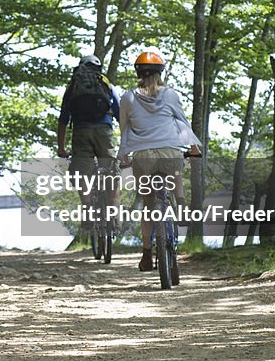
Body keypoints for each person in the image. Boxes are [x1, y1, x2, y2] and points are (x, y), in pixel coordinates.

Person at [117, 51, 201, 272]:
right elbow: (182, 122)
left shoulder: (127, 97)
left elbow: (124, 130)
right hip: (169, 152)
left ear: (138, 73)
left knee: (149, 204)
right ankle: (181, 204)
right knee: (175, 177)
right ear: (160, 72)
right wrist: (193, 148)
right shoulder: (171, 95)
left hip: (143, 157)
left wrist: (123, 154)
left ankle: (146, 254)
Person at [56, 54, 122, 235]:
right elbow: (119, 113)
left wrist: (61, 148)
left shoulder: (73, 86)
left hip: (81, 132)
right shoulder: (106, 83)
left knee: (80, 171)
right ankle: (114, 216)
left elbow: (63, 119)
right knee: (111, 172)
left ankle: (88, 208)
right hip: (104, 132)